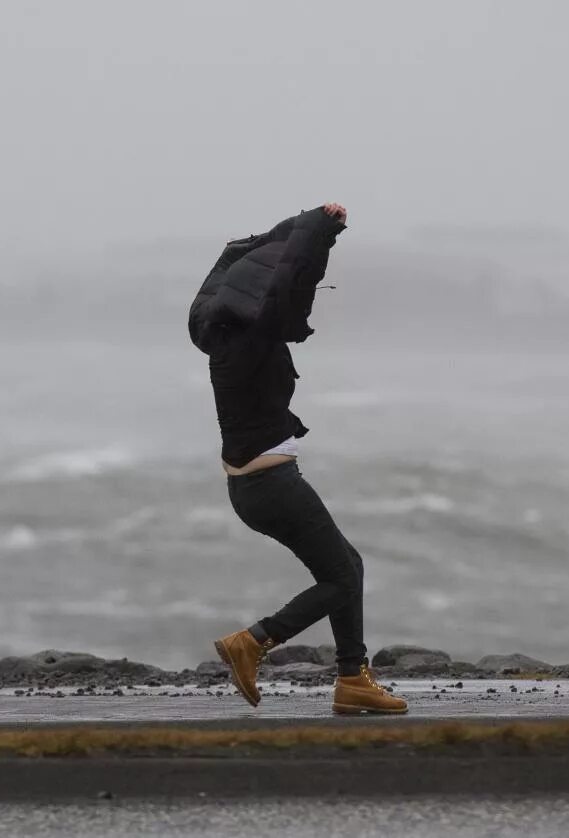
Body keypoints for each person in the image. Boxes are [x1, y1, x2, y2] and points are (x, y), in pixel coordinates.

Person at [187, 202, 407, 715]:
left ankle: (353, 680)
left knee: (344, 566)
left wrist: (270, 238)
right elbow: (291, 286)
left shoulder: (219, 338)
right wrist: (322, 230)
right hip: (271, 486)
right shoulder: (253, 338)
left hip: (253, 487)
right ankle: (253, 641)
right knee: (343, 575)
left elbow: (238, 273)